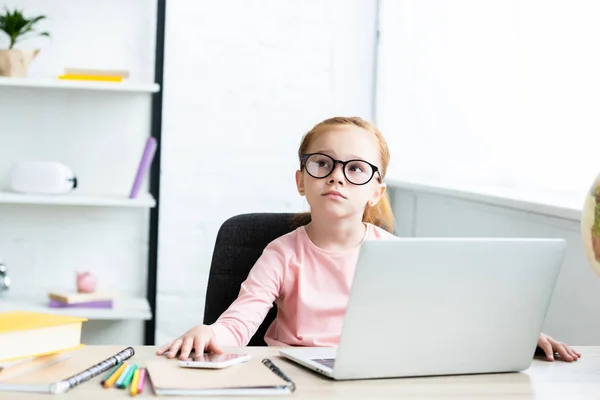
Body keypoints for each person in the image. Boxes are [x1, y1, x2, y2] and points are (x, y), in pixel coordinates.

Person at [157, 116, 581, 363]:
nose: (338, 175)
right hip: (294, 377)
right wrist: (212, 333)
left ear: (376, 191)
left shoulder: (392, 255)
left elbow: (443, 319)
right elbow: (240, 322)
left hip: (370, 378)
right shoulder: (283, 253)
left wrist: (514, 334)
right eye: (323, 164)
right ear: (302, 180)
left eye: (356, 168)